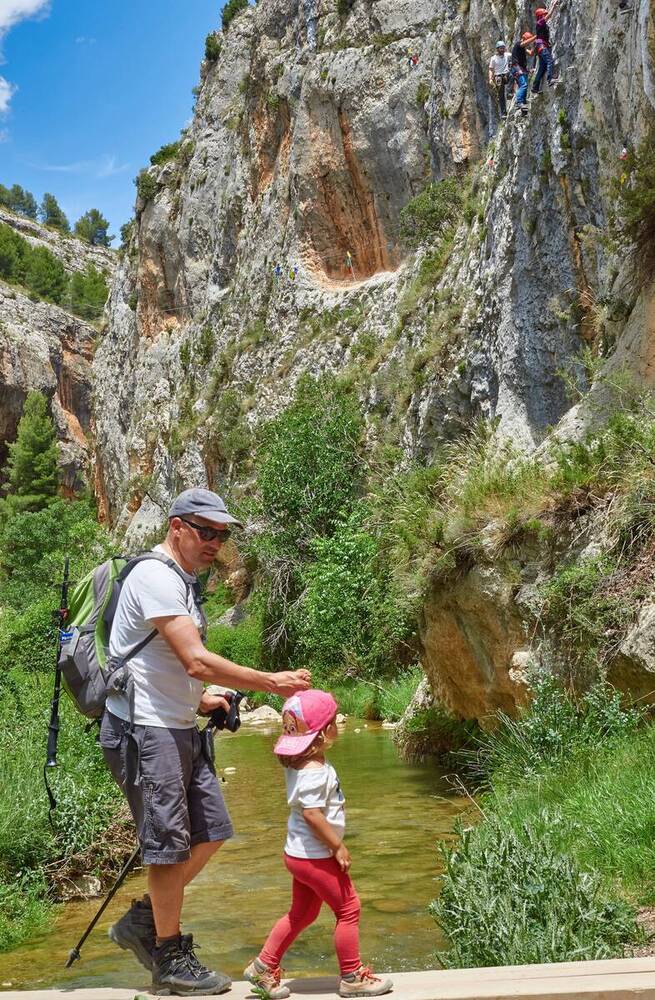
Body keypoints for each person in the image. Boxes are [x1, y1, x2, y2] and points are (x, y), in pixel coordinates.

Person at [101, 488, 312, 997]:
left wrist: (202, 700)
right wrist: (270, 681)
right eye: (206, 530)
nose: (216, 541)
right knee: (169, 848)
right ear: (176, 527)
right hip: (145, 731)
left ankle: (142, 923)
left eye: (222, 533)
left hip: (176, 725)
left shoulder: (182, 581)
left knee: (212, 828)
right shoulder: (155, 575)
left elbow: (167, 664)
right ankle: (170, 961)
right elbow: (194, 659)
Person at [244, 690, 393, 999]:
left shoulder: (299, 764)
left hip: (298, 853)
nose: (338, 723)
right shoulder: (313, 772)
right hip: (315, 855)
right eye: (334, 720)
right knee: (349, 909)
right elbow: (312, 814)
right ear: (324, 733)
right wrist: (337, 846)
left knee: (302, 914)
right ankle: (352, 976)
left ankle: (263, 967)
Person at [532, 2, 559, 93]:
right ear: (540, 16)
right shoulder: (539, 22)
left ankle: (535, 87)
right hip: (542, 46)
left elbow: (547, 16)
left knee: (542, 67)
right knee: (549, 61)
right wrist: (554, 6)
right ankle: (550, 79)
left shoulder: (541, 24)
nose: (545, 16)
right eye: (543, 15)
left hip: (540, 47)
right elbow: (549, 16)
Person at [510, 32, 534, 115]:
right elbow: (524, 43)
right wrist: (536, 37)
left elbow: (531, 53)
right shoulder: (518, 44)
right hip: (516, 68)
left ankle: (523, 108)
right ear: (524, 38)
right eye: (528, 40)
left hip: (520, 68)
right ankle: (519, 102)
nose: (528, 43)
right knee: (524, 85)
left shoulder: (523, 48)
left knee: (523, 86)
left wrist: (535, 45)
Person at [488, 40, 511, 120]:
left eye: (503, 48)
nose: (502, 49)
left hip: (506, 74)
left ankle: (509, 92)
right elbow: (491, 69)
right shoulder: (493, 59)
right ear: (497, 49)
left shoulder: (507, 55)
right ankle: (503, 113)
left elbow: (515, 55)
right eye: (500, 48)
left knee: (512, 75)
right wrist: (490, 79)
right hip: (498, 76)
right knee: (501, 95)